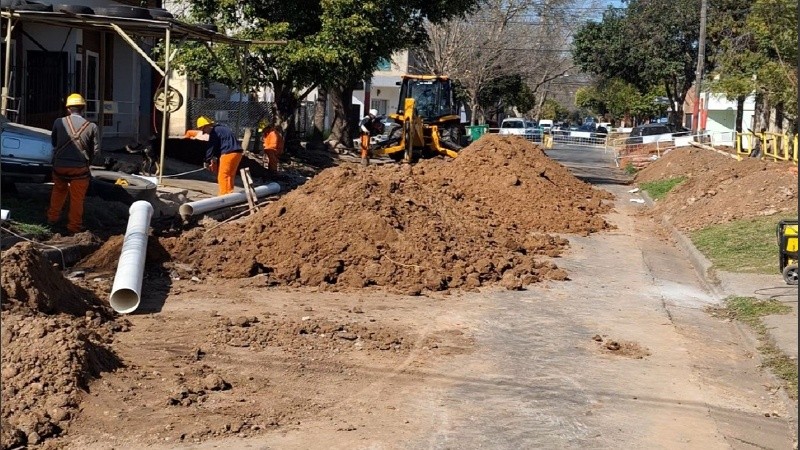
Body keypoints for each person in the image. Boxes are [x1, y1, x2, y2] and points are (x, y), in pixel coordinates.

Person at [47, 93, 100, 234]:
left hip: (60, 167)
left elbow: (53, 142)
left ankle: (52, 219)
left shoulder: (58, 122)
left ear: (68, 109)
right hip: (79, 169)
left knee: (58, 191)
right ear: (83, 109)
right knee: (77, 198)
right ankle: (74, 227)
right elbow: (96, 150)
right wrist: (89, 163)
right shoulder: (92, 126)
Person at [197, 116, 243, 195]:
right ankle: (229, 194)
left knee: (223, 176)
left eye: (203, 130)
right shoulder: (222, 129)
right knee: (230, 175)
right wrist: (214, 159)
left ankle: (223, 196)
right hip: (237, 153)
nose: (206, 133)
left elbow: (211, 147)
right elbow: (220, 146)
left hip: (228, 154)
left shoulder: (214, 131)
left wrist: (207, 161)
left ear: (206, 126)